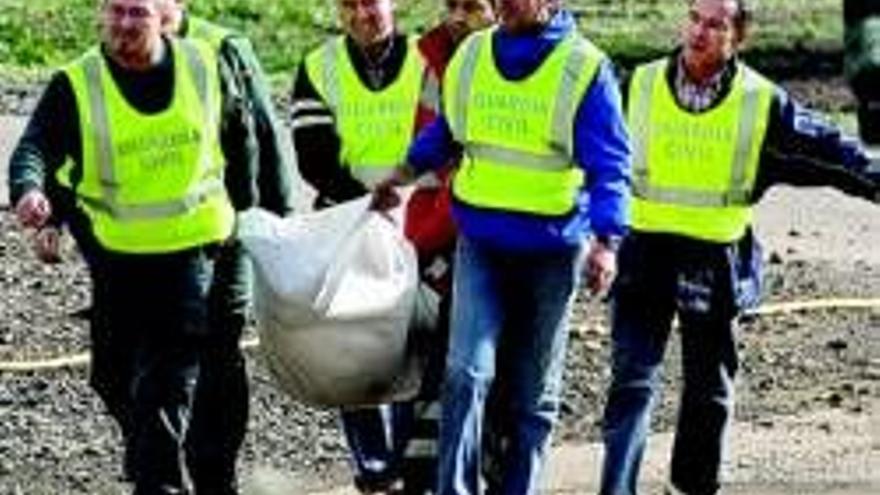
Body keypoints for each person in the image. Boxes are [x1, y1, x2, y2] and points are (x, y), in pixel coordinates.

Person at [598, 1, 880, 494]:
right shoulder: (637, 85)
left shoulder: (758, 101)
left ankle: (691, 487)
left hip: (715, 261)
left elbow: (831, 150)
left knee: (709, 393)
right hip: (644, 256)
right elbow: (594, 152)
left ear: (738, 38)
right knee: (632, 384)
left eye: (715, 24)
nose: (699, 32)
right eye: (694, 18)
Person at [7, 0, 283, 492]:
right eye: (117, 11)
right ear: (100, 15)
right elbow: (37, 146)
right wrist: (32, 192)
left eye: (138, 12)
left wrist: (247, 218)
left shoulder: (203, 64)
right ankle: (155, 463)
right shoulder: (78, 82)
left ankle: (175, 482)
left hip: (195, 252)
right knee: (111, 375)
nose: (126, 25)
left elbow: (245, 140)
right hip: (119, 258)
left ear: (164, 16)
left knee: (165, 384)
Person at [373, 0, 631, 493]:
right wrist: (404, 174)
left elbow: (611, 166)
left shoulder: (584, 69)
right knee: (465, 374)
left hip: (551, 253)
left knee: (534, 396)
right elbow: (449, 131)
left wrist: (606, 242)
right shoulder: (471, 55)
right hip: (482, 245)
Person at [290, 0, 445, 492]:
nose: (362, 14)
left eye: (370, 3)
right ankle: (375, 469)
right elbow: (312, 155)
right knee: (352, 349)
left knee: (413, 346)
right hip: (350, 221)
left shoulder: (426, 59)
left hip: (421, 221)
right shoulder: (319, 66)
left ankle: (408, 463)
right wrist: (365, 201)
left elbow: (445, 133)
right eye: (349, 5)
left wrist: (404, 193)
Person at [159, 1, 295, 491]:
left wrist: (278, 231)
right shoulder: (123, 53)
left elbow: (265, 135)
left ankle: (216, 474)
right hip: (156, 244)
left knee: (219, 350)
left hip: (227, 234)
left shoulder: (224, 49)